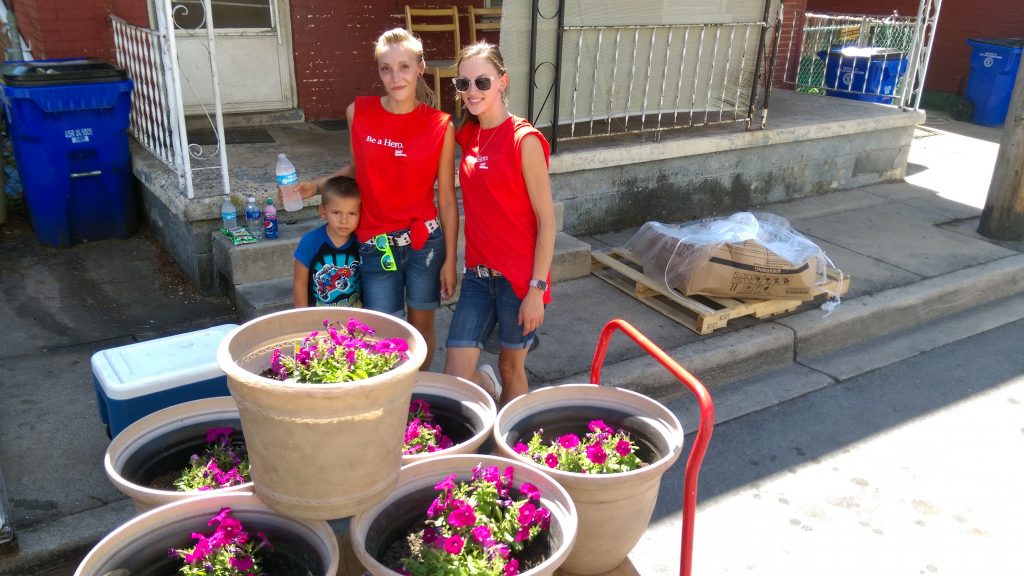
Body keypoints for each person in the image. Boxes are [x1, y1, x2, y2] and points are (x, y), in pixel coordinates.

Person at [295, 28, 458, 369]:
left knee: (422, 327)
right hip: (375, 242)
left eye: (404, 66)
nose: (395, 77)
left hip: (423, 244)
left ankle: (418, 399)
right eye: (386, 68)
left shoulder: (440, 125)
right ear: (379, 72)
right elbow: (359, 166)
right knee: (384, 332)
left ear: (419, 67)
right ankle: (393, 399)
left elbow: (445, 199)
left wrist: (450, 260)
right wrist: (320, 184)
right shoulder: (360, 112)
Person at [444, 41, 556, 406]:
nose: (472, 92)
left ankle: (513, 453)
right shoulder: (468, 134)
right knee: (456, 376)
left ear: (503, 81)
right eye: (463, 84)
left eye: (482, 82)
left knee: (512, 368)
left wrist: (536, 290)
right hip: (478, 276)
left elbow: (547, 220)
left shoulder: (524, 140)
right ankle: (487, 389)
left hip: (520, 281)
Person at [293, 175, 362, 308]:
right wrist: (301, 317)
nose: (344, 221)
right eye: (336, 212)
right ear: (323, 211)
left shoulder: (363, 242)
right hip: (318, 317)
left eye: (352, 213)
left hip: (356, 318)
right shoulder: (310, 241)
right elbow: (299, 283)